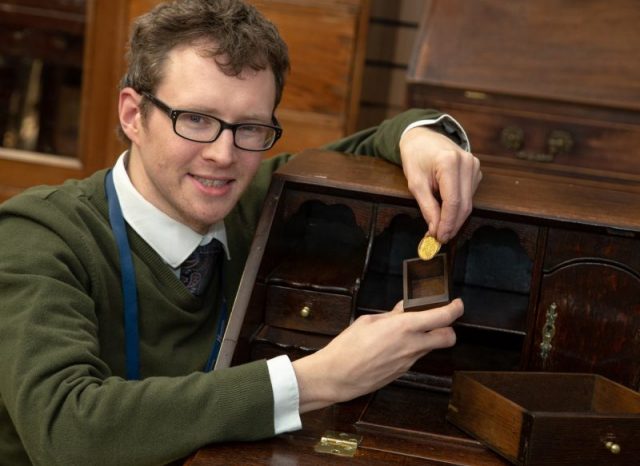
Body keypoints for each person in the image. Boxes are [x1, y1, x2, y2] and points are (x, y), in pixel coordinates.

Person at [0, 0, 481, 464]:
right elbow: (68, 431)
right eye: (195, 119)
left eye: (250, 127)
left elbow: (378, 139)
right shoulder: (38, 236)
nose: (223, 154)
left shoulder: (258, 202)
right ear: (132, 115)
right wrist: (318, 379)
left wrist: (422, 137)